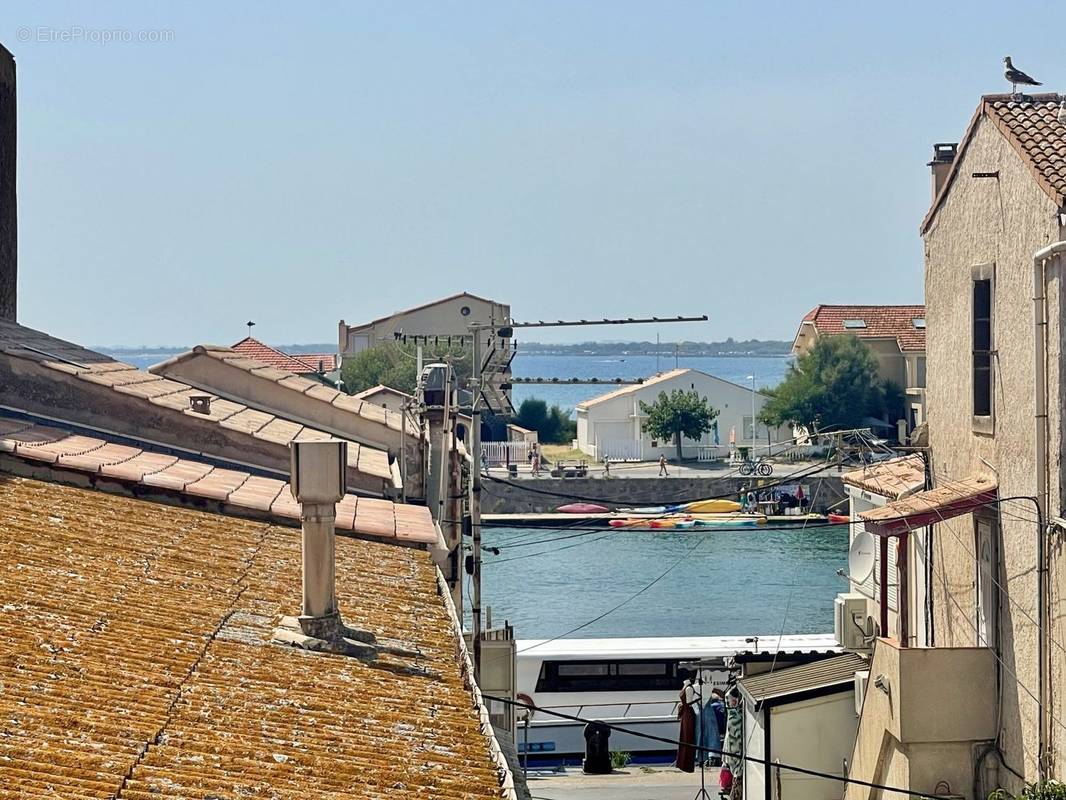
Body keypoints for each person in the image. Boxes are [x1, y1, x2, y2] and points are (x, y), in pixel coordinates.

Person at [675, 672, 699, 772]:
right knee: (684, 736)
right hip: (686, 713)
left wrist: (681, 705)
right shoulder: (686, 686)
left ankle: (687, 764)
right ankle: (682, 763)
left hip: (688, 714)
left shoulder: (688, 688)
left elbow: (688, 702)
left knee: (687, 737)